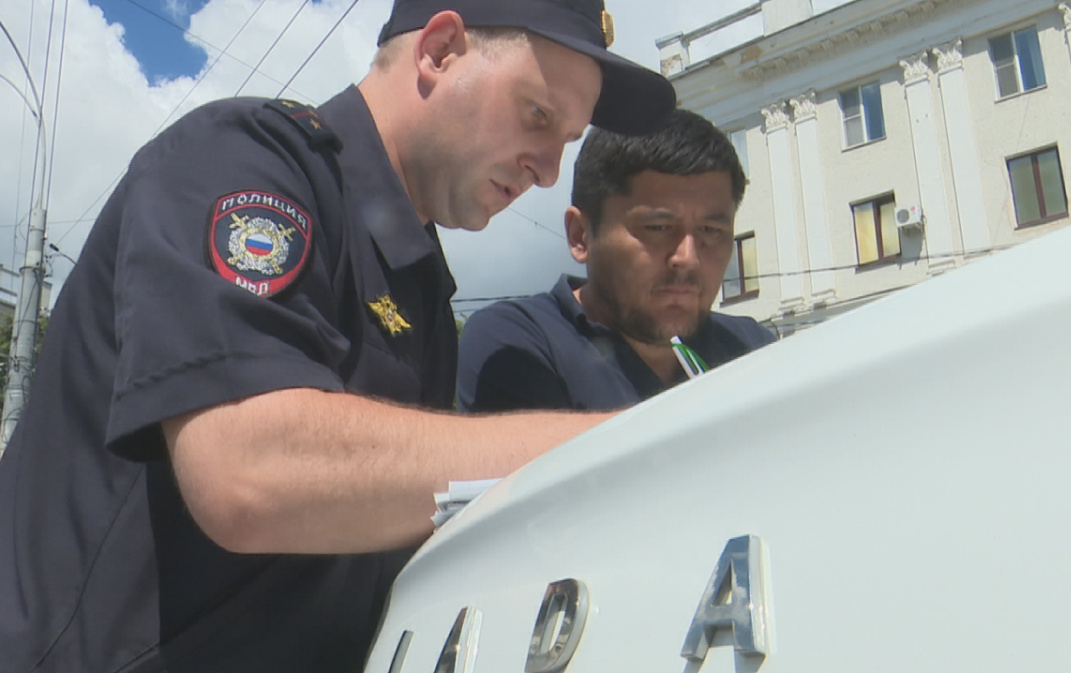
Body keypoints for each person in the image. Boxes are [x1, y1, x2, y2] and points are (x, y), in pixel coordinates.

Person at [0, 1, 675, 671]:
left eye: (567, 141)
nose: (549, 171)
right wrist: (615, 445)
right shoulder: (243, 157)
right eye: (538, 114)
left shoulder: (422, 287)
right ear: (440, 51)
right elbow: (250, 470)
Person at [457, 108, 776, 413]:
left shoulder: (751, 348)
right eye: (658, 228)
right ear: (581, 235)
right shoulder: (517, 344)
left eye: (710, 230)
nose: (688, 258)